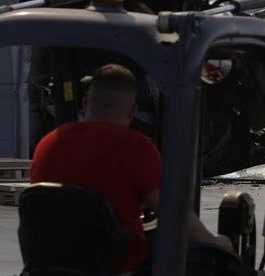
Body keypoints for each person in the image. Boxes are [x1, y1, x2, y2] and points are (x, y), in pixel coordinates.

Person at [30, 63, 232, 274]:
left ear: (84, 103)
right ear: (132, 112)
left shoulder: (47, 144)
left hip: (52, 268)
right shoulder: (135, 147)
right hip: (121, 269)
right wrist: (218, 243)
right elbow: (176, 217)